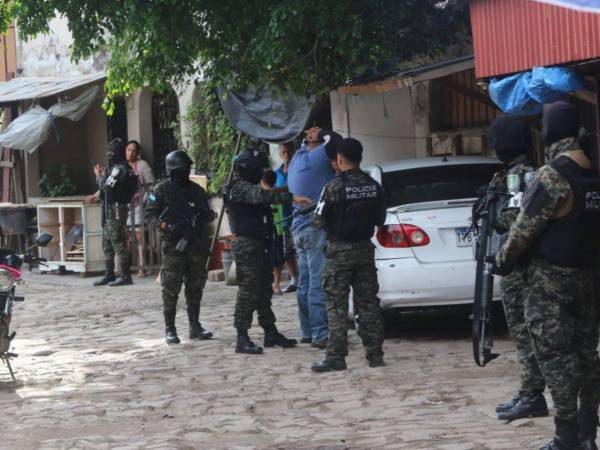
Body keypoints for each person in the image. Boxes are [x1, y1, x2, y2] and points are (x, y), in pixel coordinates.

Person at [494, 101, 600, 450]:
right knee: (587, 357)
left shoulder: (552, 175)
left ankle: (566, 437)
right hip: (587, 278)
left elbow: (523, 231)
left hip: (549, 285)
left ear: (551, 131)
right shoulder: (592, 173)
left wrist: (501, 261)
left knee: (557, 360)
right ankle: (587, 434)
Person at [480, 116, 548, 421]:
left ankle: (532, 394)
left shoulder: (521, 175)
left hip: (520, 265)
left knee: (523, 332)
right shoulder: (516, 172)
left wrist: (492, 213)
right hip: (517, 262)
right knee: (524, 332)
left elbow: (518, 219)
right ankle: (529, 391)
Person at [224, 147, 311, 354]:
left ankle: (270, 331)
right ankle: (242, 337)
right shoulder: (239, 187)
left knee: (263, 290)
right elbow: (263, 196)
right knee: (248, 291)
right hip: (247, 245)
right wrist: (292, 197)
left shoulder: (246, 186)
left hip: (260, 242)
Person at [310, 137, 386, 372]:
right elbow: (380, 219)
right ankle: (375, 355)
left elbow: (317, 220)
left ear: (340, 159)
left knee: (336, 305)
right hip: (364, 250)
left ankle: (336, 357)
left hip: (339, 252)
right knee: (368, 304)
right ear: (360, 158)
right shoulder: (374, 186)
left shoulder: (333, 187)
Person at [145, 150, 215, 345]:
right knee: (171, 288)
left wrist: (205, 216)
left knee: (195, 286)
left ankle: (195, 325)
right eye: (183, 169)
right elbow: (149, 216)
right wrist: (166, 225)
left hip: (195, 243)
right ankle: (170, 328)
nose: (186, 172)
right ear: (173, 170)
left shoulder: (196, 190)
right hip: (174, 245)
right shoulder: (160, 190)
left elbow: (206, 212)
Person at [287, 126, 335, 348]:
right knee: (317, 281)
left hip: (298, 228)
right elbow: (337, 142)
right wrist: (323, 133)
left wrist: (312, 138)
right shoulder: (319, 156)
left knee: (305, 282)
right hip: (315, 228)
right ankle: (320, 333)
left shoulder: (298, 157)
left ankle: (307, 330)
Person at [93, 138, 138, 287]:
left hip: (116, 209)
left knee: (118, 242)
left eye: (111, 152)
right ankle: (109, 274)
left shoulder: (120, 169)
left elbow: (106, 188)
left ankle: (125, 276)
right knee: (107, 242)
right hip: (112, 208)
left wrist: (98, 176)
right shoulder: (122, 169)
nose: (110, 155)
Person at [125, 140, 155, 278]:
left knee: (139, 236)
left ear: (137, 153)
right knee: (128, 238)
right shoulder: (122, 166)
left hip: (138, 206)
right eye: (128, 149)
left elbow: (151, 186)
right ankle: (128, 267)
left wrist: (144, 202)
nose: (130, 153)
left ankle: (142, 268)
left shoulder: (142, 165)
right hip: (125, 207)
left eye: (133, 150)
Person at [273, 142, 299, 294]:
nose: (286, 154)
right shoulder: (277, 173)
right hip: (282, 216)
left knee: (298, 249)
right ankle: (294, 279)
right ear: (280, 153)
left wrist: (277, 190)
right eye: (284, 152)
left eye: (289, 151)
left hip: (297, 213)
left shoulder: (297, 170)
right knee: (286, 250)